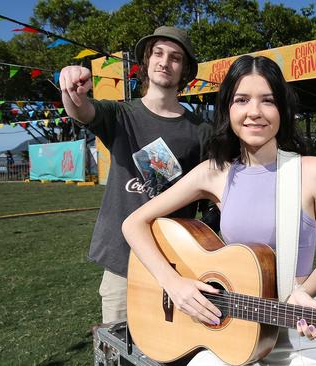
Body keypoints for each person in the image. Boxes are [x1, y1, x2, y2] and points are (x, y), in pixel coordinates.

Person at [122, 55, 316, 365]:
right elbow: (134, 224)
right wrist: (174, 283)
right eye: (242, 100)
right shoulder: (214, 173)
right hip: (231, 329)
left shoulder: (315, 172)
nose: (255, 112)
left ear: (282, 110)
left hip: (298, 330)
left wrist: (302, 294)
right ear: (228, 109)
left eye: (267, 100)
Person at [59, 26, 212, 324]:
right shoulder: (121, 115)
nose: (165, 62)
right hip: (121, 263)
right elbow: (82, 111)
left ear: (185, 70)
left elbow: (210, 199)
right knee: (118, 348)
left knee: (172, 350)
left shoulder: (201, 131)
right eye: (158, 53)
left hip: (176, 264)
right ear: (146, 62)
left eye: (175, 57)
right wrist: (71, 88)